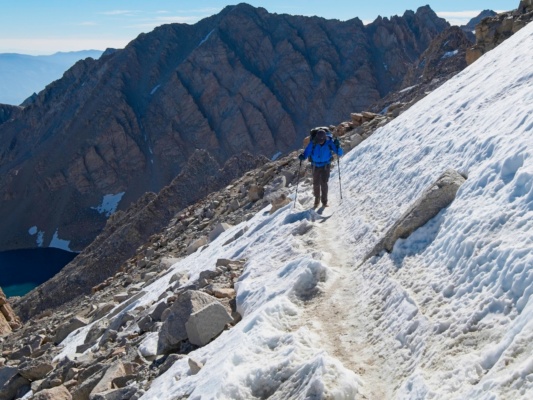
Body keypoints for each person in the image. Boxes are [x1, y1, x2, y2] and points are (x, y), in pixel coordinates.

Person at [298, 129, 343, 208]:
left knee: (324, 183)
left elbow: (339, 153)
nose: (320, 142)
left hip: (326, 165)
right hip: (315, 165)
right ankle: (317, 199)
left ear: (325, 137)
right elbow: (307, 152)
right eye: (319, 140)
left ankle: (324, 201)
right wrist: (303, 156)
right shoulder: (313, 143)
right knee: (316, 183)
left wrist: (338, 146)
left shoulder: (329, 142)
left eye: (322, 140)